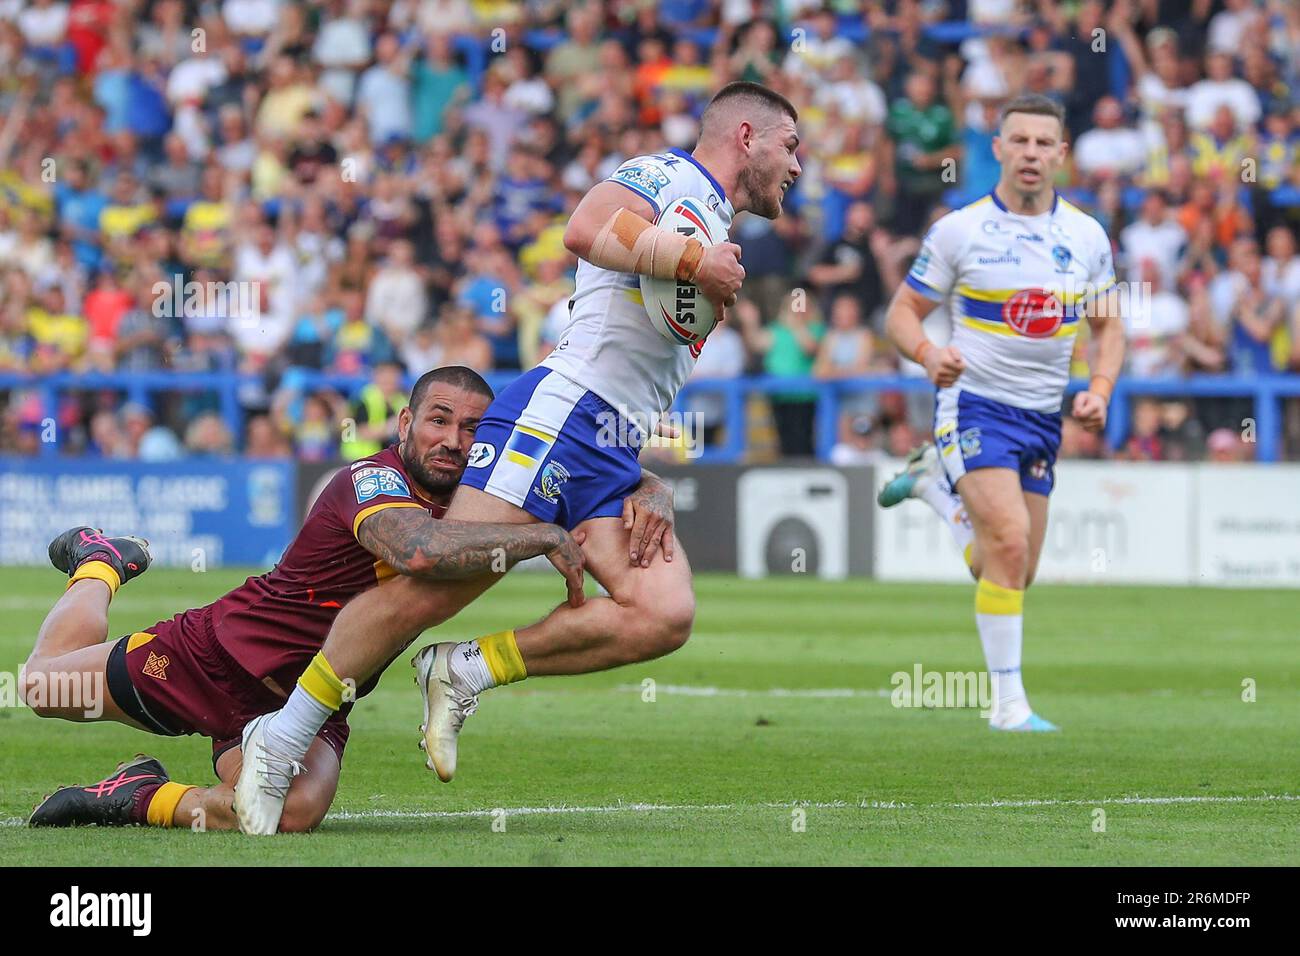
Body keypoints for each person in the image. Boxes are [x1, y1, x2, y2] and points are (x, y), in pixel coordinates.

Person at [234, 81, 801, 835]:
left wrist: (642, 471)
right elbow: (585, 225)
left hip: (611, 445)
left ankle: (465, 668)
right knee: (439, 579)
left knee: (662, 613)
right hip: (560, 414)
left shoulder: (717, 219)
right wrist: (695, 259)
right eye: (791, 147)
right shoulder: (671, 177)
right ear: (745, 135)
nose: (798, 167)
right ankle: (282, 736)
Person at [21, 367, 675, 832]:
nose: (453, 439)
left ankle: (138, 793)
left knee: (289, 814)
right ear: (405, 422)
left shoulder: (484, 496)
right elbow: (415, 550)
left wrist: (650, 486)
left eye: (473, 427)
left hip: (315, 696)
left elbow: (586, 463)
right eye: (439, 420)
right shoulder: (370, 478)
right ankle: (100, 565)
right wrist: (541, 535)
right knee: (40, 690)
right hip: (215, 657)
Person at [876, 94, 1126, 732]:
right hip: (974, 405)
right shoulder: (960, 231)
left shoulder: (1086, 235)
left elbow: (1109, 326)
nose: (1032, 154)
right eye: (1020, 141)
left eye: (1045, 143)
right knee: (1009, 542)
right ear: (998, 148)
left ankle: (935, 490)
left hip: (1042, 418)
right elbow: (901, 314)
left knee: (1015, 568)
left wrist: (1099, 386)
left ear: (1062, 153)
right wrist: (930, 355)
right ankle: (1008, 706)